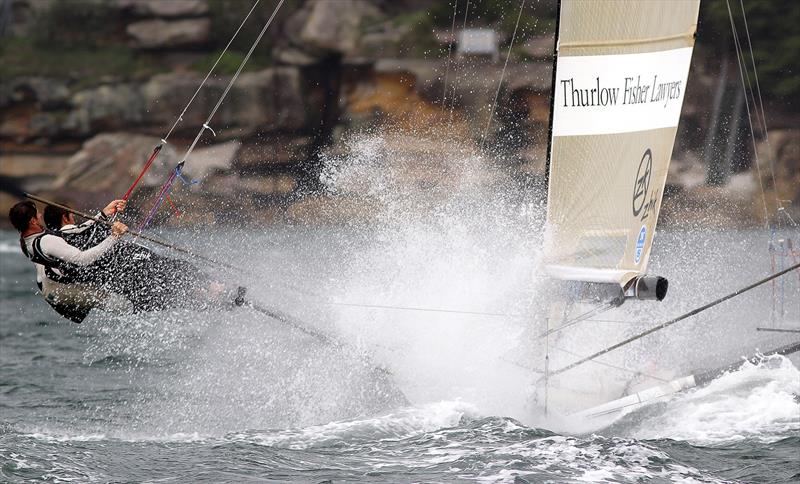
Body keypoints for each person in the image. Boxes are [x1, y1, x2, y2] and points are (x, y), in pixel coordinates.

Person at [9, 199, 129, 323]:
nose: (40, 216)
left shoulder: (25, 239)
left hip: (50, 290)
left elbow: (70, 232)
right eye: (37, 214)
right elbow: (83, 259)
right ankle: (141, 313)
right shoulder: (46, 241)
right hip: (62, 293)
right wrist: (114, 236)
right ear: (33, 221)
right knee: (118, 302)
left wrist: (103, 214)